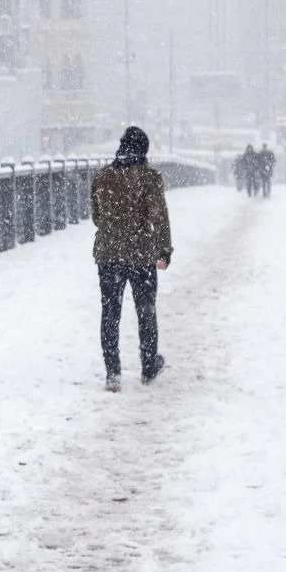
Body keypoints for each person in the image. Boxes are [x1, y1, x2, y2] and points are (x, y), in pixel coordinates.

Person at [90, 126, 173, 392]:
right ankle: (148, 363)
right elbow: (158, 216)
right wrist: (164, 250)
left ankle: (112, 372)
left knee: (110, 312)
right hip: (141, 254)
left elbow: (96, 216)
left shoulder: (102, 176)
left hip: (109, 254)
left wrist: (115, 230)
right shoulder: (149, 178)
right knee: (146, 311)